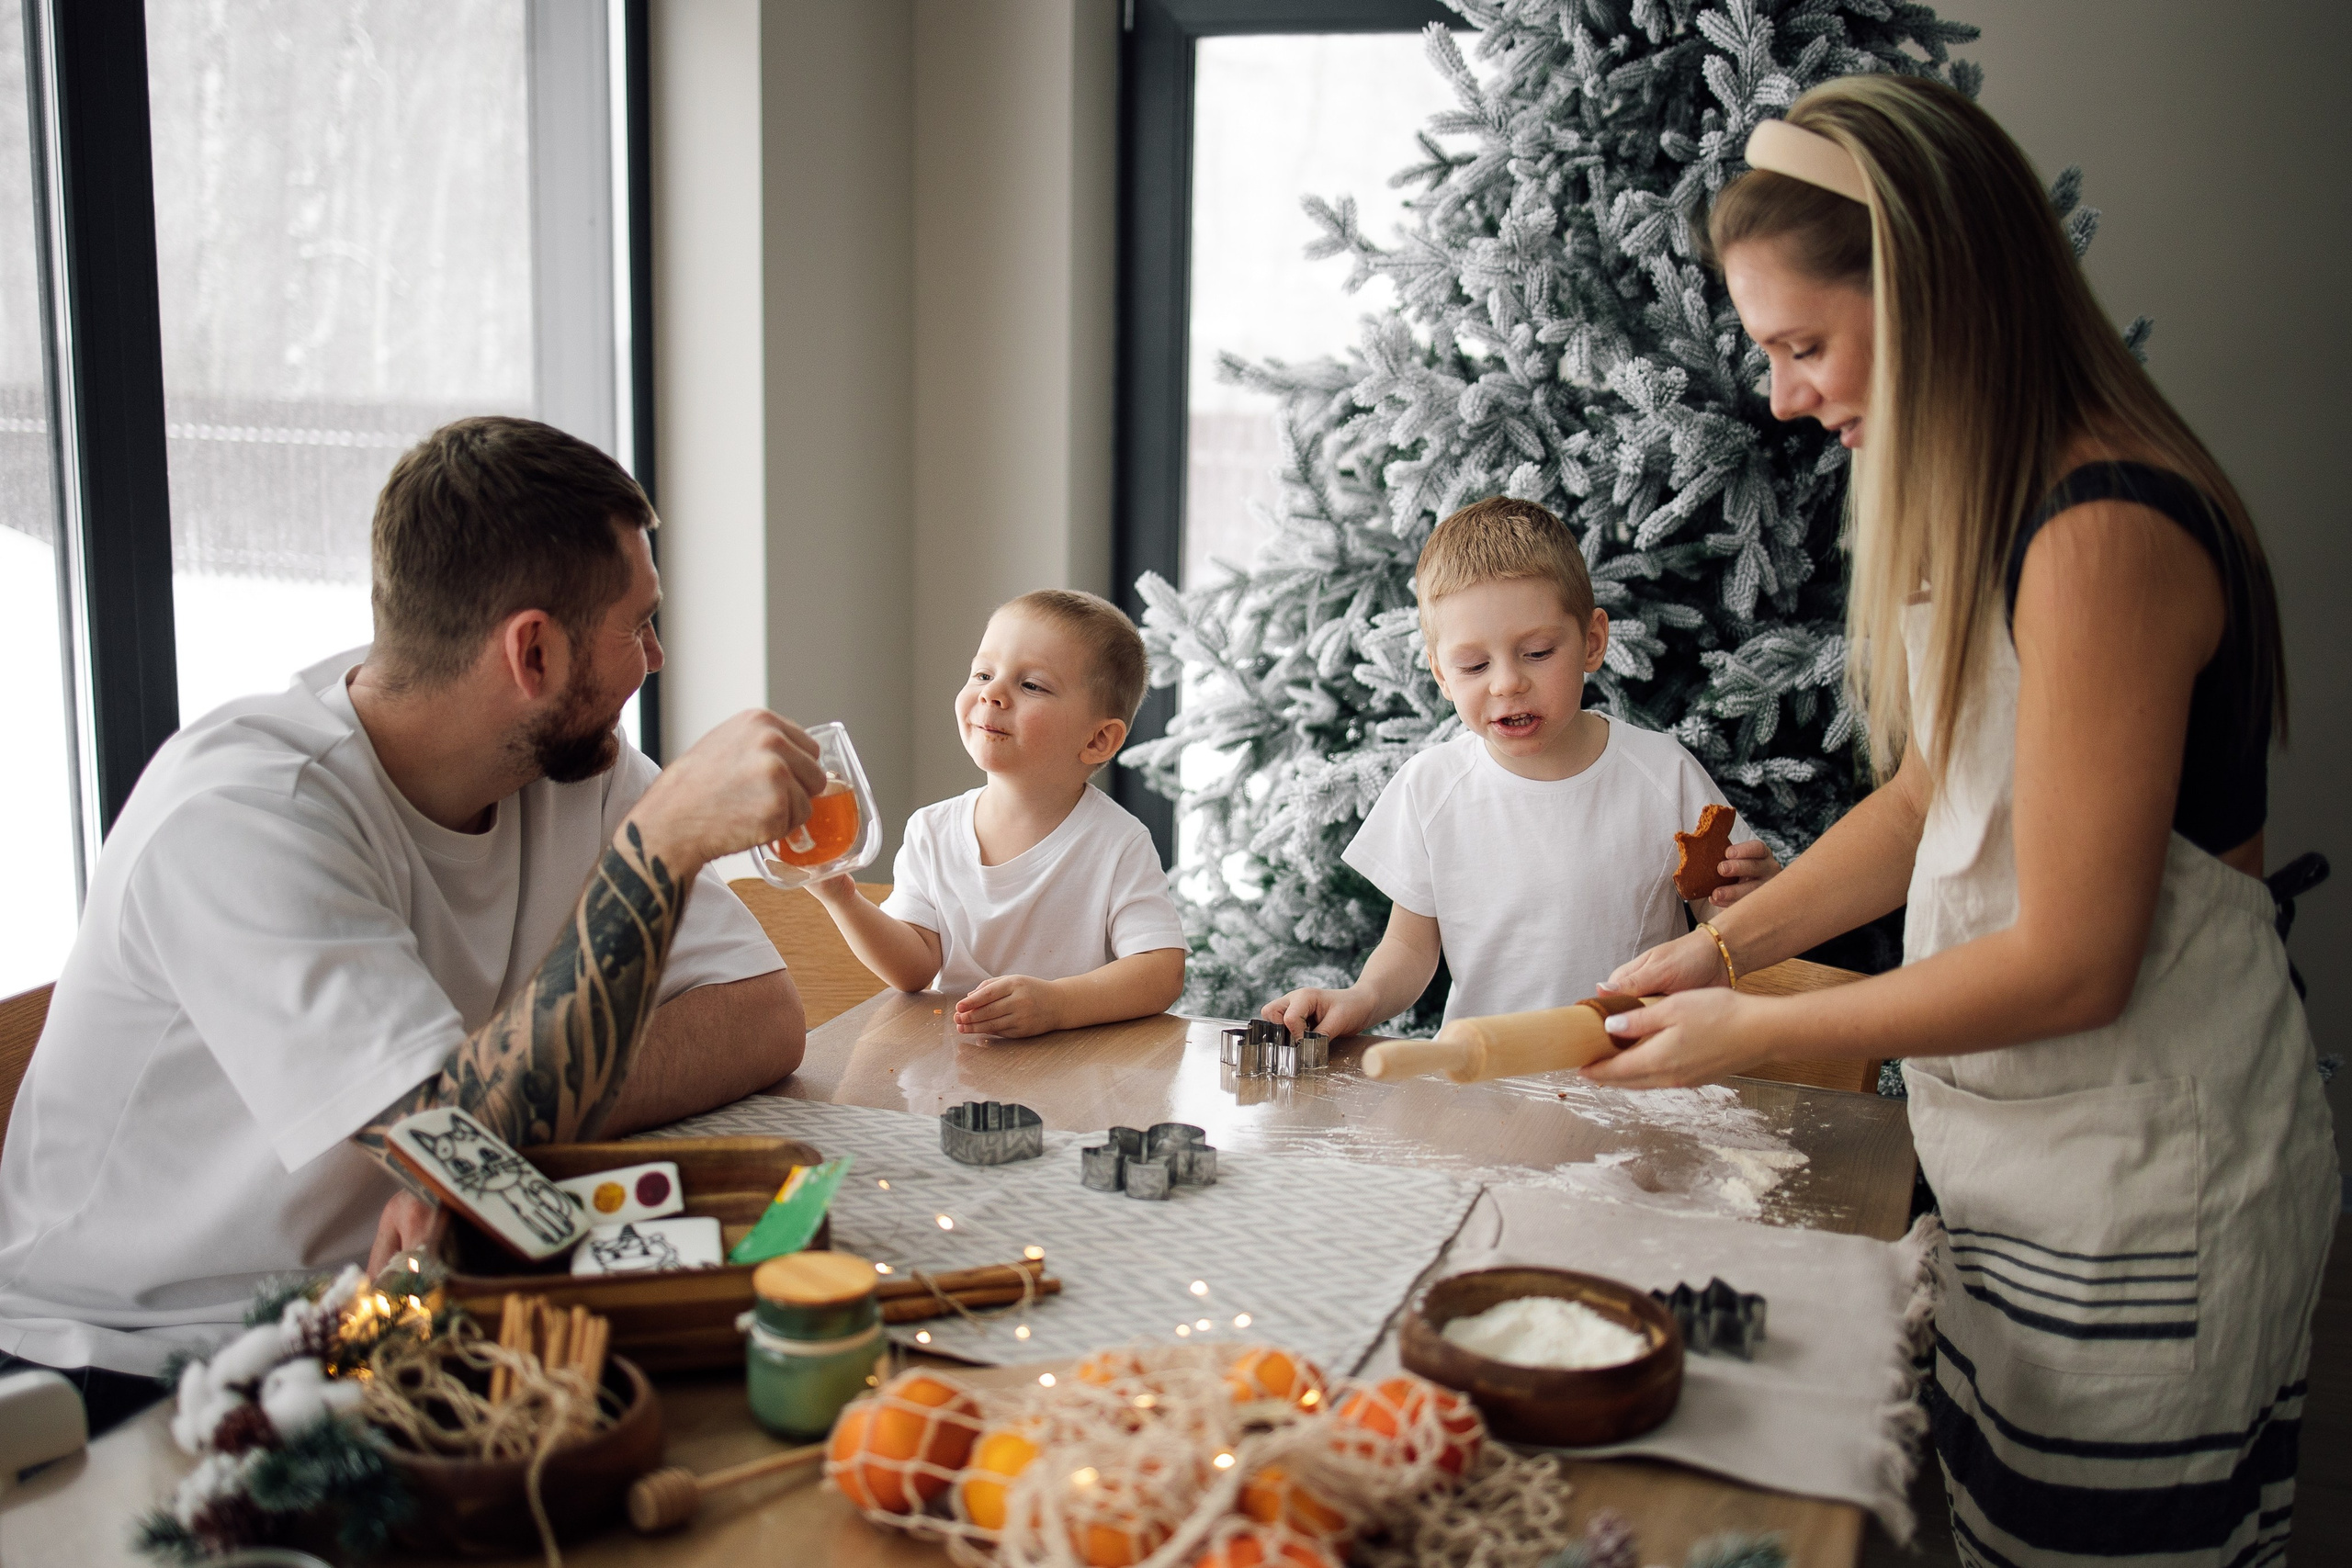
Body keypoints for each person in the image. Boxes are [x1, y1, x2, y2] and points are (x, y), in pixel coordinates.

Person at [1589, 80, 2335, 1568]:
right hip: (2023, 1163)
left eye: (1806, 345)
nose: (1784, 397)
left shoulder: (2104, 533)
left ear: (1934, 291)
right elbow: (1936, 794)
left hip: (2140, 1192)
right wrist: (1722, 952)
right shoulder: (2002, 512)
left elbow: (2072, 962)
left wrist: (1752, 1029)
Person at [0, 416, 828, 1432]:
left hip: (394, 1313)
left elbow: (762, 1014)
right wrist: (655, 853)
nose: (655, 658)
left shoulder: (566, 760)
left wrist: (491, 1137)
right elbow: (458, 1142)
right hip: (135, 1370)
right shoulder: (244, 816)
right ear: (532, 650)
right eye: (640, 624)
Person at [1261, 498, 1778, 1041]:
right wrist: (1360, 999)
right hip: (1483, 1075)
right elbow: (1409, 949)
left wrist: (1752, 900)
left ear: (1592, 642)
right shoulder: (1431, 787)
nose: (1507, 683)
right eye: (1474, 665)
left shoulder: (1663, 774)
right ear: (1441, 675)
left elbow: (1723, 921)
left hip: (1634, 1071)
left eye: (1537, 652)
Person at [810, 589, 1186, 1037]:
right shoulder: (931, 830)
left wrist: (1058, 1006)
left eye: (1031, 685)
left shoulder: (1118, 843)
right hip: (956, 1065)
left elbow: (1161, 971)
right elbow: (913, 970)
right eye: (983, 674)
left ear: (1097, 740)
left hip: (1079, 1066)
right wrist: (841, 898)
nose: (991, 693)